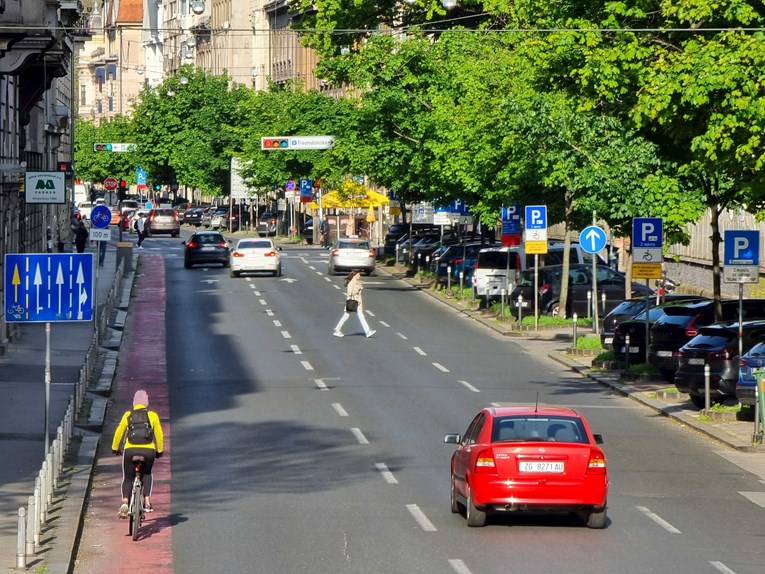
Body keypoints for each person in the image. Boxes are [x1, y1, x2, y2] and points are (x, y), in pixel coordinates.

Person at [111, 390, 165, 518]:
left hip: (130, 451)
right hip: (148, 451)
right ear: (146, 403)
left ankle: (125, 502)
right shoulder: (152, 416)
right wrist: (159, 450)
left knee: (128, 478)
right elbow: (159, 435)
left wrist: (115, 448)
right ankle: (146, 501)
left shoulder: (128, 415)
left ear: (134, 403)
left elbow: (119, 432)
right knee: (146, 473)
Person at [334, 270, 376, 338]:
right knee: (360, 316)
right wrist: (358, 289)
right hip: (354, 302)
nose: (360, 276)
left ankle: (337, 329)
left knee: (346, 316)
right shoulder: (351, 283)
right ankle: (368, 331)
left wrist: (359, 287)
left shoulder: (356, 282)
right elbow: (350, 293)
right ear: (354, 275)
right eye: (358, 275)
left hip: (355, 302)